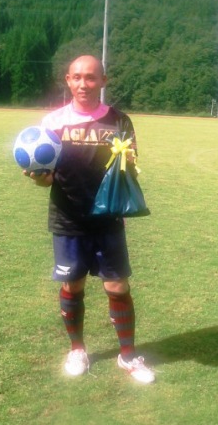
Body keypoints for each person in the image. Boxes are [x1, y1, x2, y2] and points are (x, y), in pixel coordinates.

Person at [24, 55, 154, 384]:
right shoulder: (53, 123)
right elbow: (46, 178)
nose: (84, 84)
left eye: (91, 77)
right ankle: (77, 350)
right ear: (68, 80)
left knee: (117, 286)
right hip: (68, 219)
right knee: (72, 285)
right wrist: (39, 178)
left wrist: (128, 164)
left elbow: (130, 167)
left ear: (103, 81)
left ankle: (127, 356)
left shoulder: (119, 121)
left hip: (108, 219)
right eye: (78, 77)